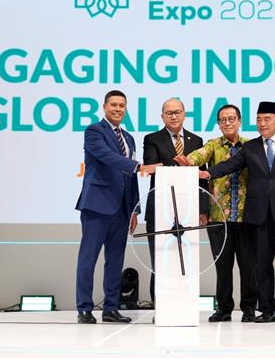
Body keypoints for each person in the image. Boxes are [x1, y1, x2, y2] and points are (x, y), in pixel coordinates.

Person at [200, 101, 275, 323]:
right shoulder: (250, 147)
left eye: (267, 119)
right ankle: (267, 311)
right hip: (258, 216)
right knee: (261, 265)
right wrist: (207, 174)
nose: (262, 123)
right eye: (259, 119)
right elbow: (230, 165)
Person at [75, 90, 158, 324]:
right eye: (114, 104)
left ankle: (110, 308)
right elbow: (107, 156)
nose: (118, 109)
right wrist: (140, 166)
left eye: (122, 105)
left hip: (121, 210)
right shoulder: (94, 131)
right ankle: (84, 309)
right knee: (88, 259)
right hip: (97, 206)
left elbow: (130, 177)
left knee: (115, 261)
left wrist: (134, 209)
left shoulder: (129, 138)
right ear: (104, 106)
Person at [176, 104, 257, 323]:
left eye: (231, 118)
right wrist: (188, 161)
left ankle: (249, 309)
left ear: (239, 121)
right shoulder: (213, 145)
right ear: (218, 124)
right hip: (218, 217)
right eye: (223, 120)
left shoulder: (251, 146)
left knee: (249, 266)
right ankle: (224, 308)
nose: (227, 123)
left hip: (247, 217)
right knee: (222, 266)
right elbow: (199, 155)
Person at [142, 98, 208, 303]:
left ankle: (184, 303)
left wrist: (203, 209)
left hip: (188, 209)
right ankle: (160, 306)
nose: (173, 116)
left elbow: (201, 177)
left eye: (177, 112)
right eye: (169, 113)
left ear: (184, 114)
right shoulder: (152, 139)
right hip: (160, 208)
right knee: (160, 259)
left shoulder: (197, 140)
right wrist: (182, 166)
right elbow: (151, 166)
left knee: (186, 260)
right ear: (162, 116)